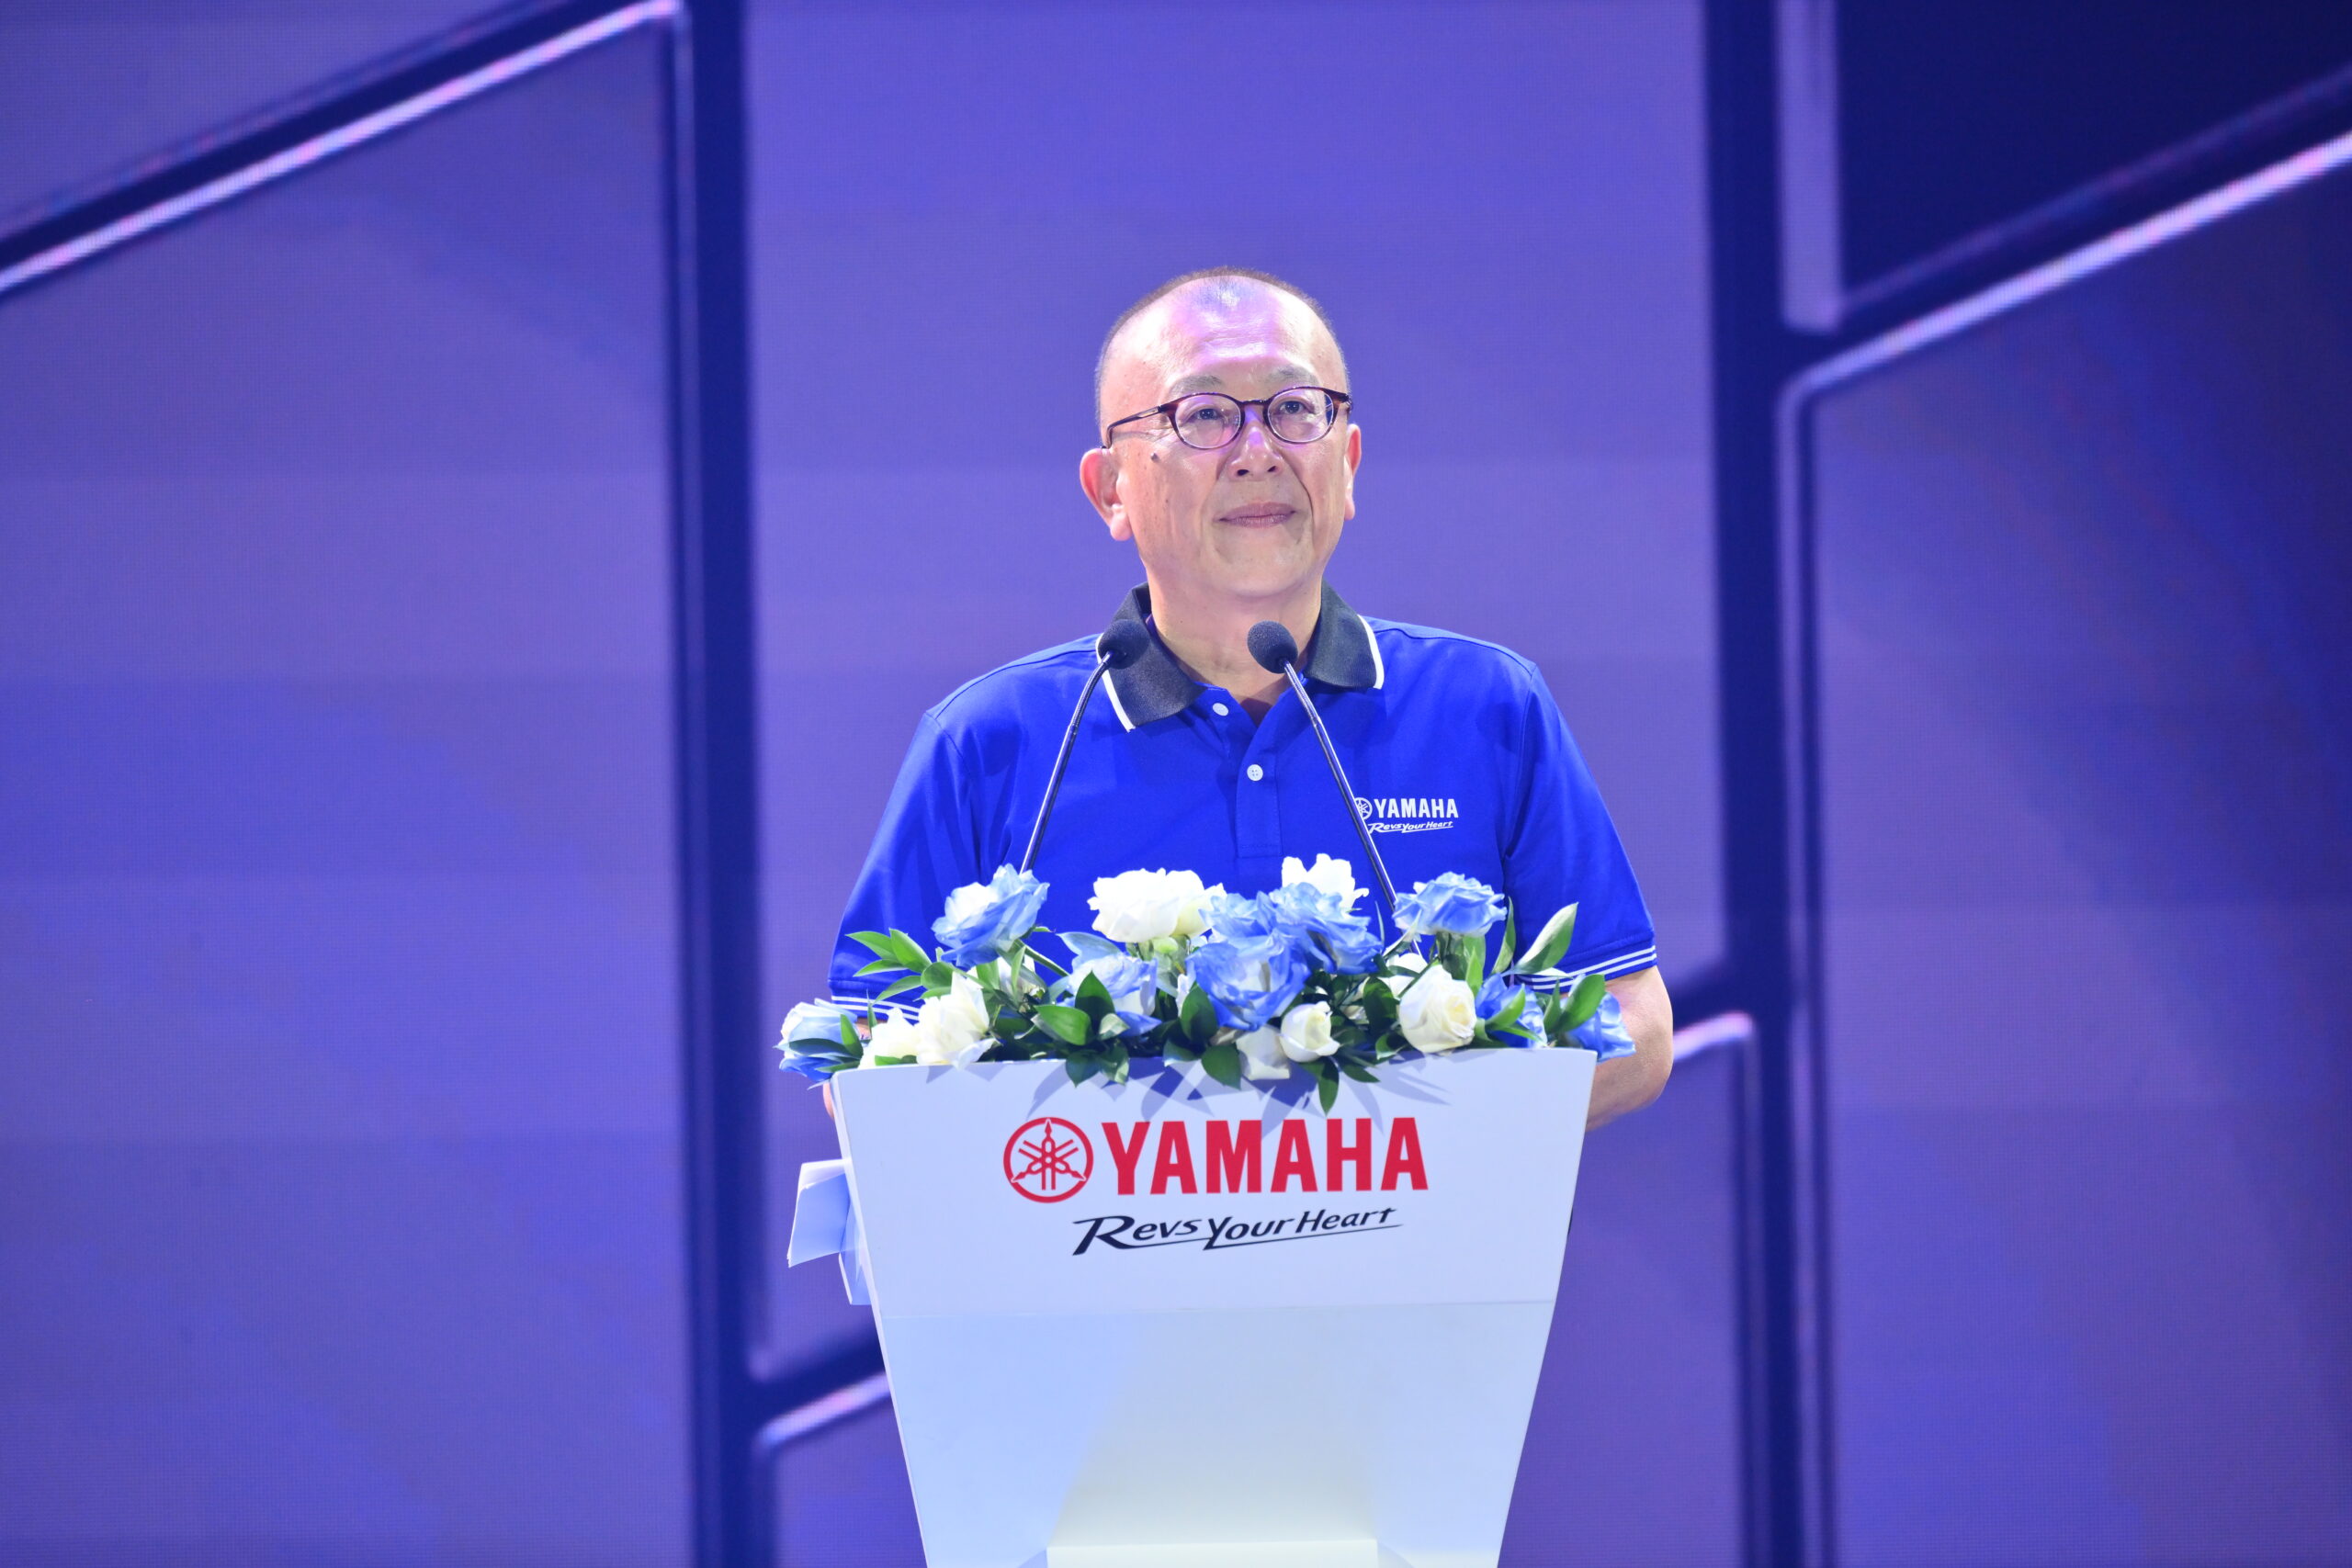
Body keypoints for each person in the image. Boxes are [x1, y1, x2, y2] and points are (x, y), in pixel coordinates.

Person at [829, 268, 1670, 1125]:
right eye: (1203, 415)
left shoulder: (1487, 708)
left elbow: (1631, 1023)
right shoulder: (989, 743)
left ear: (1348, 464)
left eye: (1296, 408)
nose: (1259, 450)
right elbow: (866, 1057)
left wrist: (1412, 1147)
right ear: (1111, 489)